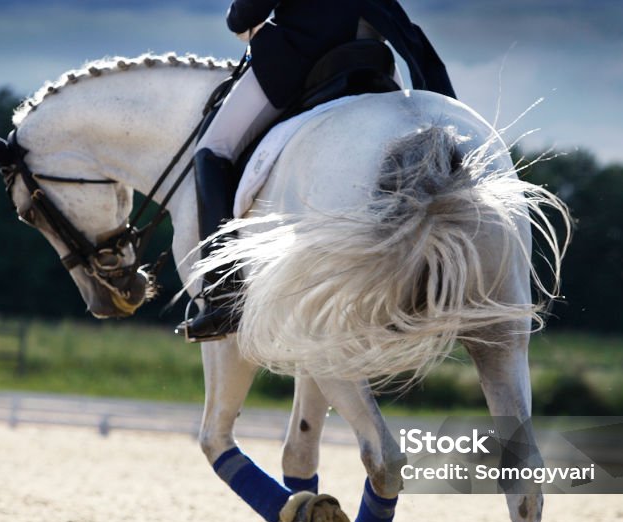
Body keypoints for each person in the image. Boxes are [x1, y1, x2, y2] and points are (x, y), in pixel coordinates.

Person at [180, 0, 455, 342]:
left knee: (212, 151)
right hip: (374, 51)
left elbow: (247, 14)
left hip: (302, 53)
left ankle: (224, 294)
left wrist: (238, 18)